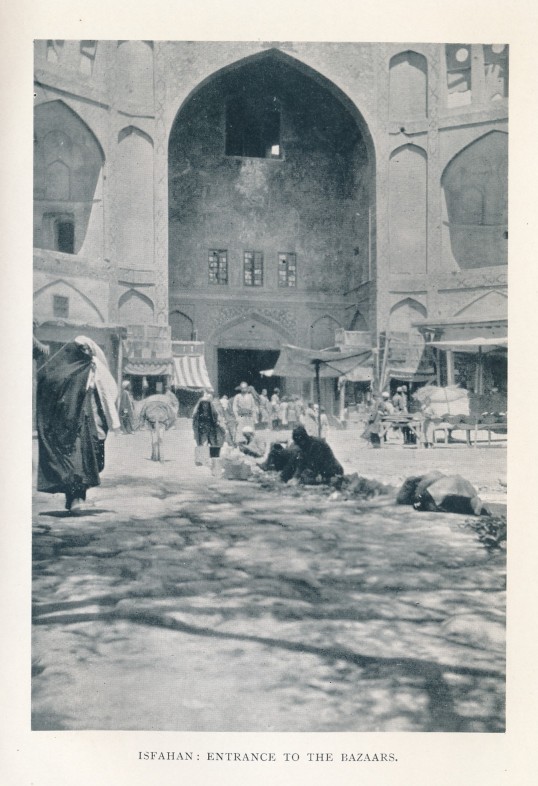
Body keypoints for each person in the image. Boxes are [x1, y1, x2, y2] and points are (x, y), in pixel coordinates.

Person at [36, 335, 120, 513]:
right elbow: (49, 389)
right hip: (69, 426)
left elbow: (108, 393)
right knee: (75, 463)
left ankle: (75, 497)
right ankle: (76, 498)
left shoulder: (95, 368)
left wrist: (112, 422)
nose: (85, 352)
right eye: (81, 349)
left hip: (92, 422)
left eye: (88, 349)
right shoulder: (62, 370)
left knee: (94, 461)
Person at [139, 386, 179, 462]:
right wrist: (170, 423)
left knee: (154, 438)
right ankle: (161, 456)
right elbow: (171, 413)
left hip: (151, 421)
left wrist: (142, 422)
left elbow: (143, 412)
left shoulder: (149, 400)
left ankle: (154, 456)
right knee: (160, 438)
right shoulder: (165, 400)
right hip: (162, 421)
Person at [192, 390, 226, 474]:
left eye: (206, 403)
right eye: (203, 403)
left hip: (211, 429)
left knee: (214, 444)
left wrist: (218, 423)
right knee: (203, 444)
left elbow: (217, 417)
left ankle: (215, 461)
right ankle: (203, 461)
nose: (205, 405)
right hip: (202, 430)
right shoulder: (198, 412)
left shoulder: (212, 411)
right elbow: (194, 419)